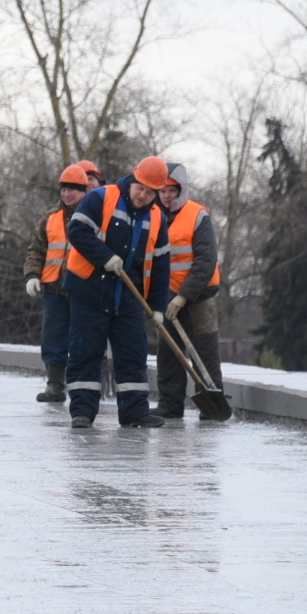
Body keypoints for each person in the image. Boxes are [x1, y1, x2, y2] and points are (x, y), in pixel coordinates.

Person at [62, 155, 173, 429]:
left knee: (133, 353)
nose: (143, 195)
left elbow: (160, 265)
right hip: (89, 290)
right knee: (85, 352)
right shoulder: (102, 197)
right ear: (133, 179)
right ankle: (83, 412)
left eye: (150, 192)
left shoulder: (157, 218)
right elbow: (76, 231)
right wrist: (105, 257)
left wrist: (158, 306)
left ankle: (135, 412)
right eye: (140, 188)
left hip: (129, 296)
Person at [155, 162, 225, 419]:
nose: (166, 196)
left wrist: (184, 295)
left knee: (204, 350)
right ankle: (170, 405)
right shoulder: (153, 216)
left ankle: (210, 403)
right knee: (169, 352)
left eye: (171, 190)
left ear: (181, 189)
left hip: (198, 296)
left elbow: (206, 260)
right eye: (162, 191)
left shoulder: (198, 215)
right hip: (167, 296)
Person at [24, 164, 90, 403]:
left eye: (72, 189)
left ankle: (82, 387)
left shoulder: (95, 216)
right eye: (63, 189)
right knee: (52, 337)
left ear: (84, 191)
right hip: (53, 288)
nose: (66, 194)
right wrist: (32, 275)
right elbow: (36, 250)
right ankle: (55, 386)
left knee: (82, 340)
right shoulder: (50, 217)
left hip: (84, 290)